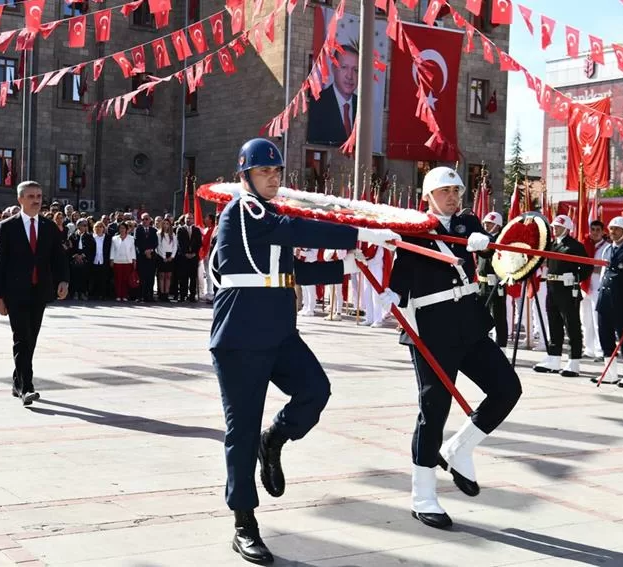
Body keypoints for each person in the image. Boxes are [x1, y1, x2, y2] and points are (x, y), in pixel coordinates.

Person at [210, 138, 397, 564]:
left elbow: (289, 270)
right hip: (240, 337)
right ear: (245, 177)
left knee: (315, 390)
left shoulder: (268, 214)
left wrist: (344, 266)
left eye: (277, 172)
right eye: (264, 172)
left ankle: (273, 440)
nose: (273, 178)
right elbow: (295, 231)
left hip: (278, 332)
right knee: (239, 432)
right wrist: (359, 232)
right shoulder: (243, 211)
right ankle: (244, 523)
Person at [379, 166, 522, 530]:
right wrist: (387, 292)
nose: (453, 197)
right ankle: (423, 494)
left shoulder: (465, 222)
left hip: (469, 324)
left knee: (507, 388)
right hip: (431, 330)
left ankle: (460, 448)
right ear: (428, 195)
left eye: (456, 190)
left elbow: (479, 235)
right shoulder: (413, 230)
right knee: (434, 408)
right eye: (445, 191)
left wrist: (483, 241)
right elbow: (400, 275)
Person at [0, 181, 70, 407]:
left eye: (39, 196)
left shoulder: (48, 226)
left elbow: (58, 257)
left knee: (31, 339)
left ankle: (18, 381)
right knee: (22, 339)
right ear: (20, 200)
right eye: (31, 196)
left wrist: (63, 279)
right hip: (15, 292)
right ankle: (27, 387)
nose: (36, 200)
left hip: (40, 291)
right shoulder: (7, 226)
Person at [533, 215, 591, 377]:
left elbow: (587, 267)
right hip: (552, 288)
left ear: (567, 228)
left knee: (571, 325)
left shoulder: (575, 246)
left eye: (558, 226)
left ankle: (574, 361)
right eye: (554, 226)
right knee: (554, 324)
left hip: (567, 290)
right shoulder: (552, 245)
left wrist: (575, 278)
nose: (555, 229)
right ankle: (554, 358)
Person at [592, 216, 623, 387]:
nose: (612, 232)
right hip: (605, 299)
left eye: (616, 229)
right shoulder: (607, 249)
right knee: (605, 336)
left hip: (622, 301)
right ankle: (610, 373)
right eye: (611, 228)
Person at [306, 44, 359, 146]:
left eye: (355, 70)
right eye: (344, 67)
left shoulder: (363, 108)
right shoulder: (317, 104)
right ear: (333, 69)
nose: (350, 76)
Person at [477, 211, 508, 347]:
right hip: (482, 284)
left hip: (495, 284)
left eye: (490, 223)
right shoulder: (483, 239)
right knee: (479, 315)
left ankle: (501, 346)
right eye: (485, 223)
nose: (486, 225)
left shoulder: (502, 241)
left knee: (499, 317)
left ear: (498, 226)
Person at [580, 220, 609, 360]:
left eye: (598, 229)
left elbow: (605, 267)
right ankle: (589, 348)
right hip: (585, 285)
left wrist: (591, 267)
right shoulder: (585, 245)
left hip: (598, 286)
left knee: (598, 320)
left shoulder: (607, 247)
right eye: (593, 229)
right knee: (585, 320)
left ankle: (600, 350)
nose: (595, 232)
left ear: (603, 232)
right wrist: (592, 267)